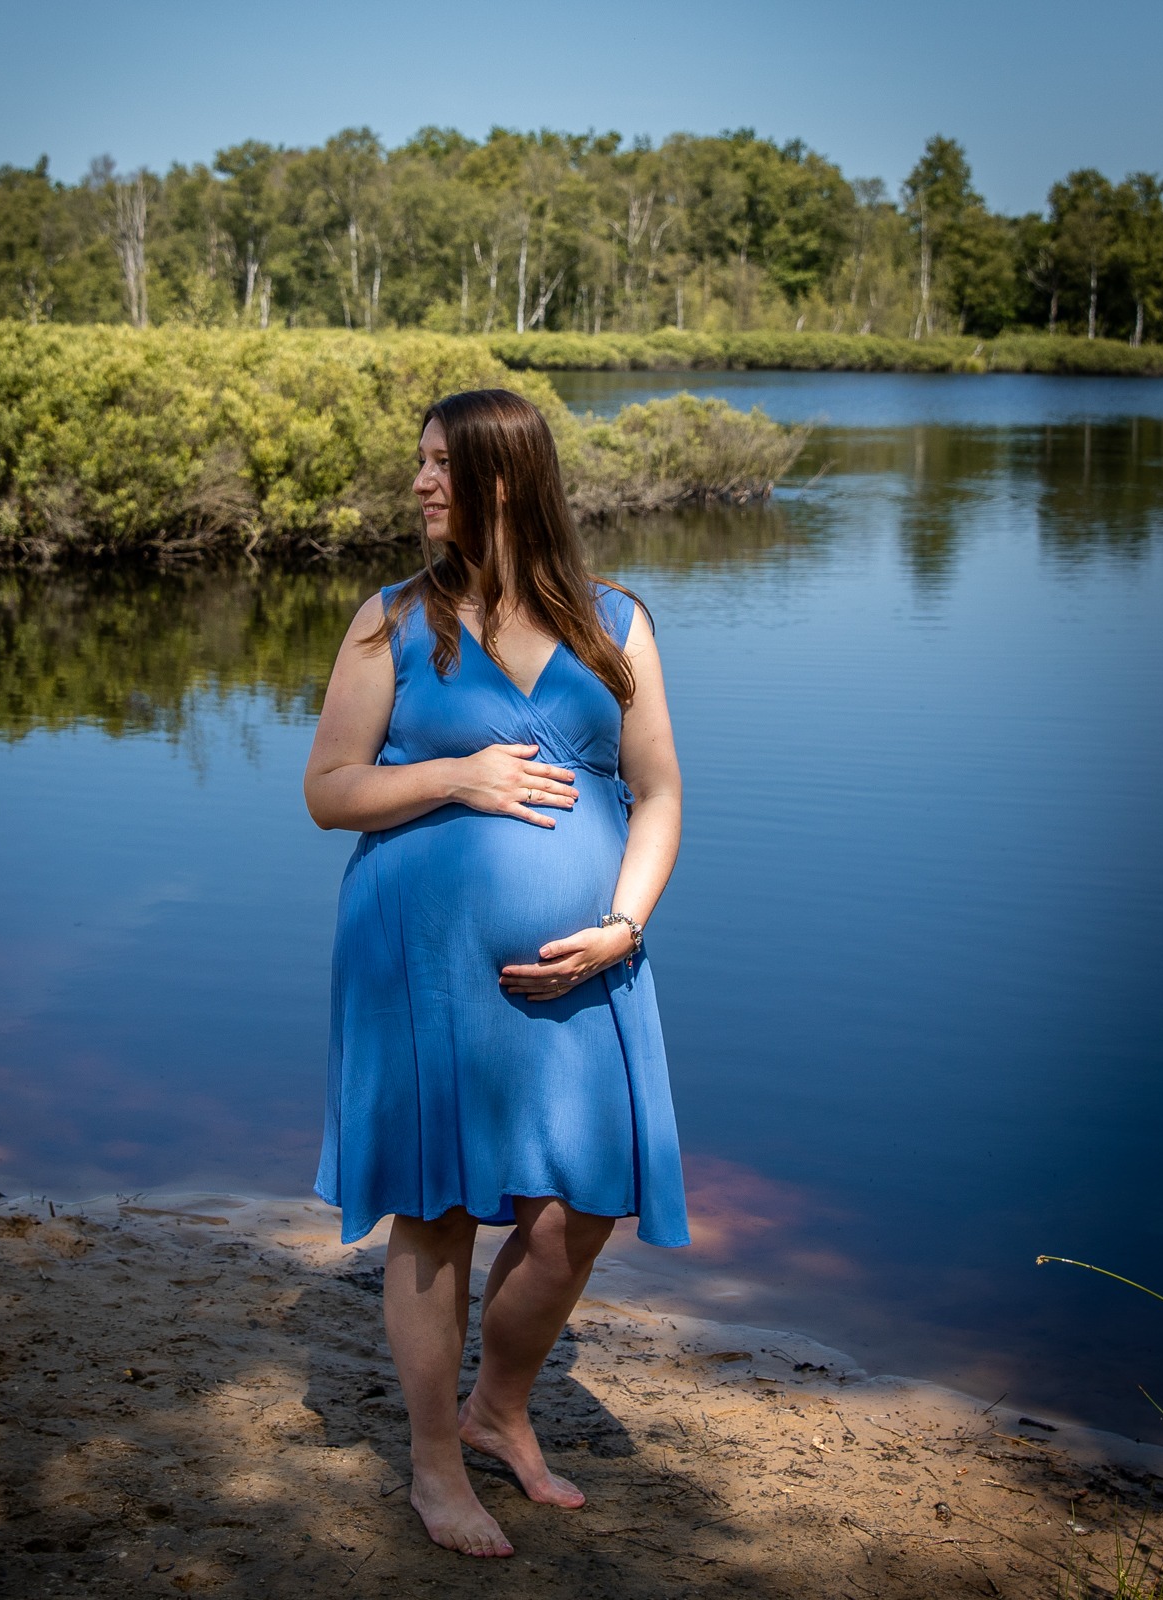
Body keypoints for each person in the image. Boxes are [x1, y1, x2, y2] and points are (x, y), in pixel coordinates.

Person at [303, 388, 690, 1558]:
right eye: (418, 464)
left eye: (440, 465)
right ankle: (433, 1463)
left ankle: (498, 1409)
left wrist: (623, 923)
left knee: (583, 1206)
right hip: (418, 965)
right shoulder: (392, 622)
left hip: (584, 967)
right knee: (432, 1215)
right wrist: (456, 776)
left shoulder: (613, 621)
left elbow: (661, 792)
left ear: (504, 480)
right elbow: (330, 788)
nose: (420, 484)